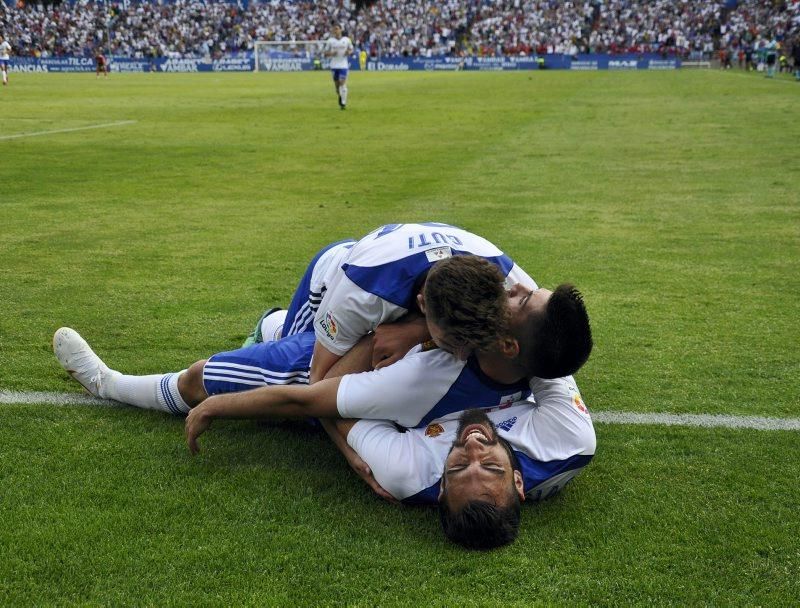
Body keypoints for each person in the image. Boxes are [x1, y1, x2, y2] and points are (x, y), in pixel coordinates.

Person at [323, 24, 354, 109]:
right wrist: (331, 54)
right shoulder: (330, 41)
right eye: (334, 29)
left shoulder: (347, 40)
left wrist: (349, 52)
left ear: (341, 30)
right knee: (337, 86)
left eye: (337, 29)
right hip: (334, 65)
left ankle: (343, 103)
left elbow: (351, 49)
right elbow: (325, 53)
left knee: (342, 82)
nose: (336, 31)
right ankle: (340, 96)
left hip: (343, 65)